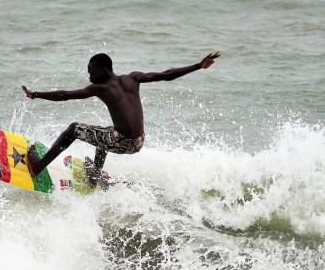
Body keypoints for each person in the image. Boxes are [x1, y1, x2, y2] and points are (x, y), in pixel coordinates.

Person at [22, 51, 221, 185]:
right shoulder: (132, 78)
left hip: (121, 141)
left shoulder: (100, 88)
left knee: (74, 129)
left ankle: (38, 166)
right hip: (139, 141)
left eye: (92, 73)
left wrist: (36, 94)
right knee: (105, 132)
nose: (90, 77)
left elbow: (64, 95)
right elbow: (166, 75)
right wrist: (198, 65)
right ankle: (95, 174)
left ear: (105, 70)